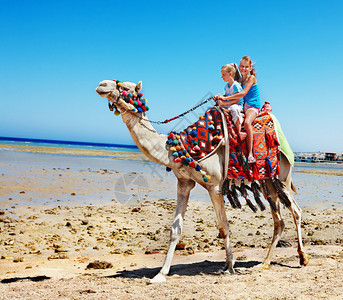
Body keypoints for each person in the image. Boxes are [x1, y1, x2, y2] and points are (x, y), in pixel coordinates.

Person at [219, 56, 261, 164]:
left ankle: (250, 154)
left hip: (252, 107)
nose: (244, 69)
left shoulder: (251, 78)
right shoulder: (240, 80)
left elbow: (242, 93)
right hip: (243, 105)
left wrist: (225, 99)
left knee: (247, 123)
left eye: (246, 67)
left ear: (250, 68)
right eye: (242, 66)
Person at [215, 63, 246, 139]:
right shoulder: (226, 86)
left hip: (237, 105)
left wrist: (224, 102)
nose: (222, 77)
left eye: (223, 74)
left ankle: (239, 131)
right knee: (217, 107)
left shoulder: (235, 85)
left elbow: (236, 100)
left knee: (234, 109)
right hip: (229, 104)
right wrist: (219, 98)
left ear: (230, 74)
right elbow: (227, 96)